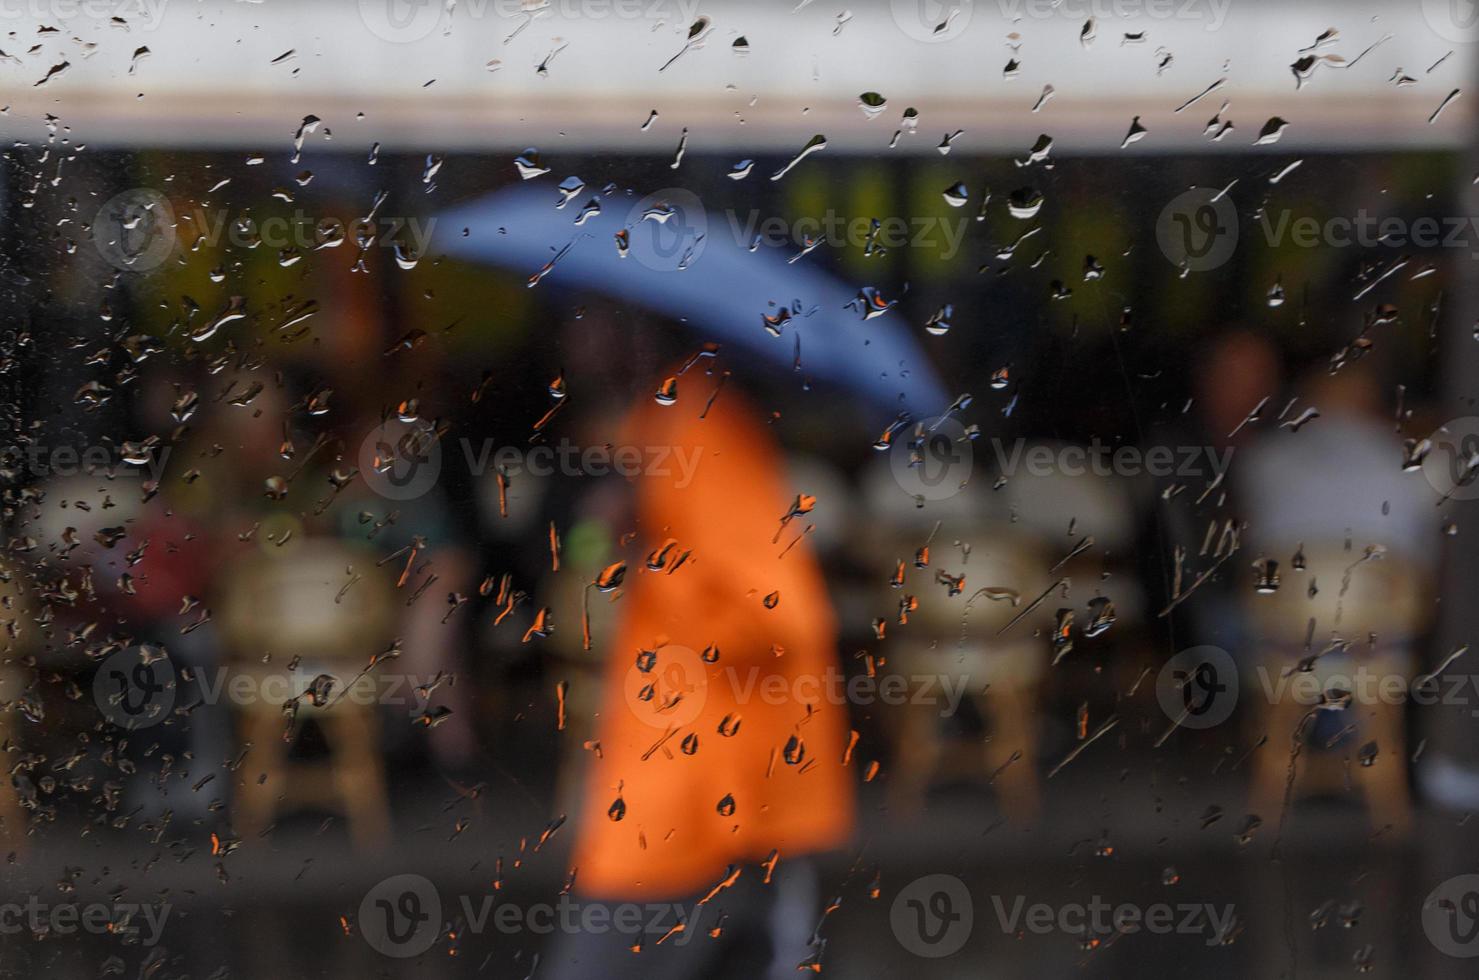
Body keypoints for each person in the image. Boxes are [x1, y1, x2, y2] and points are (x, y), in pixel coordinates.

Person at [545, 364, 855, 978]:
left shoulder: (696, 428)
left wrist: (657, 559)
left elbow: (780, 617)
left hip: (695, 790)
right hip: (707, 786)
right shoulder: (678, 426)